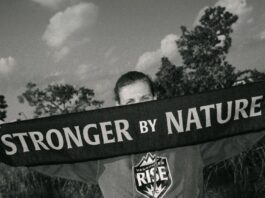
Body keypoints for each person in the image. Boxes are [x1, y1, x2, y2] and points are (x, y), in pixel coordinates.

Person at [34, 71, 265, 198]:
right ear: (117, 106)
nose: (138, 107)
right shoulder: (102, 153)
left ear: (155, 99)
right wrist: (15, 149)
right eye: (130, 102)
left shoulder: (186, 138)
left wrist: (258, 112)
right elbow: (53, 160)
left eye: (144, 100)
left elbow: (237, 139)